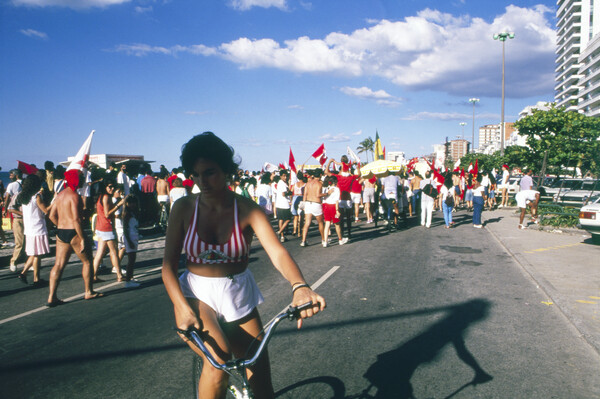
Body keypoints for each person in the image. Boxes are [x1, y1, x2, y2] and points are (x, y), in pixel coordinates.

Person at [162, 132, 325, 398]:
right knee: (219, 364)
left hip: (238, 292)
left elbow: (278, 253)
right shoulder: (183, 207)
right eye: (196, 175)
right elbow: (167, 267)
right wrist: (181, 308)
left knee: (260, 377)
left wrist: (300, 286)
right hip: (195, 294)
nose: (202, 181)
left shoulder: (249, 210)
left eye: (210, 172)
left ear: (227, 170)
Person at [47, 169, 103, 306]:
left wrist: (60, 225)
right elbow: (77, 220)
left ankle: (51, 297)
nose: (83, 179)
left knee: (58, 265)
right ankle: (88, 291)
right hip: (74, 232)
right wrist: (82, 237)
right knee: (87, 261)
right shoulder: (75, 196)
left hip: (61, 232)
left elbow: (51, 215)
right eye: (81, 177)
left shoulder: (60, 195)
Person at [13, 174, 50, 286]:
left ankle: (31, 276)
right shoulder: (37, 197)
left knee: (34, 254)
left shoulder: (23, 196)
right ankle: (33, 277)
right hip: (38, 227)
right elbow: (45, 210)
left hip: (29, 229)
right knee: (37, 254)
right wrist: (54, 202)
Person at [92, 178, 126, 282]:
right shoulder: (106, 197)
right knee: (114, 252)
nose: (112, 189)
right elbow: (107, 214)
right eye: (109, 187)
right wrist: (119, 204)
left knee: (100, 253)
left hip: (101, 227)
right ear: (105, 187)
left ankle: (92, 275)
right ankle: (119, 275)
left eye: (112, 187)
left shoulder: (101, 197)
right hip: (107, 227)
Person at [5, 169, 24, 272]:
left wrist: (5, 207)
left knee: (20, 242)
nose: (10, 176)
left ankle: (17, 262)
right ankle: (14, 261)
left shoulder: (11, 185)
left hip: (18, 216)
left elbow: (7, 197)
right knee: (21, 242)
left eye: (11, 174)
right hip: (20, 216)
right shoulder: (22, 191)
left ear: (16, 175)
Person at [300, 169, 325, 247]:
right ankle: (323, 239)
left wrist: (303, 204)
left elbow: (305, 194)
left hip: (308, 203)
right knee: (320, 222)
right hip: (316, 203)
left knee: (307, 223)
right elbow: (318, 195)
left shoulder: (308, 183)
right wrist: (327, 193)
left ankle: (303, 241)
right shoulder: (319, 184)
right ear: (320, 175)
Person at [322, 175, 348, 247]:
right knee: (337, 224)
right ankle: (340, 239)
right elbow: (336, 201)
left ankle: (325, 242)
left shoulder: (327, 188)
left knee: (327, 224)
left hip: (326, 206)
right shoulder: (336, 189)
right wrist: (337, 210)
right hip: (333, 207)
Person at [121, 195, 141, 288]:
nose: (133, 205)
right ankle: (128, 281)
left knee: (133, 259)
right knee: (131, 260)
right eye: (130, 203)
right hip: (130, 238)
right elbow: (125, 229)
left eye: (134, 203)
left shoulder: (133, 213)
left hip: (134, 237)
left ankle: (131, 277)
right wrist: (129, 241)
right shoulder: (127, 214)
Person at [275, 170, 292, 242]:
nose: (285, 177)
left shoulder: (280, 183)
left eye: (286, 176)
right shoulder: (282, 183)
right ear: (280, 176)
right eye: (284, 176)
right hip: (284, 204)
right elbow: (283, 194)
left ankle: (282, 236)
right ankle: (279, 232)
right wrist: (290, 193)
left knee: (281, 220)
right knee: (288, 219)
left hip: (279, 204)